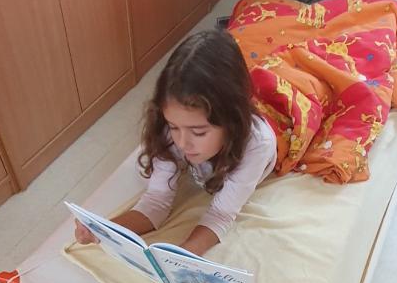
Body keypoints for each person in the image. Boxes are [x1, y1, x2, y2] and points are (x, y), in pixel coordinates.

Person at [75, 29, 277, 256]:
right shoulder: (171, 125)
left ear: (231, 122)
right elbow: (156, 201)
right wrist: (103, 229)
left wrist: (180, 258)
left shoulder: (257, 144)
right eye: (173, 127)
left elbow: (221, 214)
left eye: (198, 132)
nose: (182, 143)